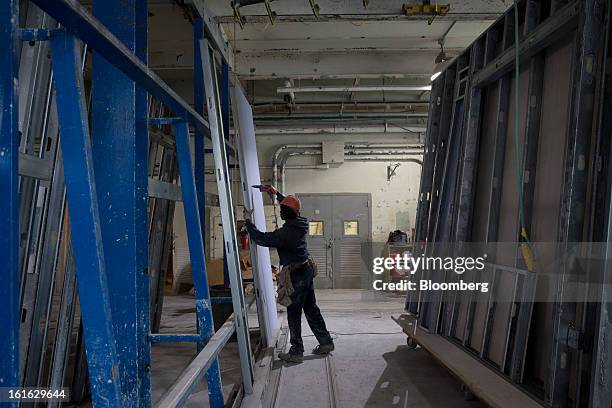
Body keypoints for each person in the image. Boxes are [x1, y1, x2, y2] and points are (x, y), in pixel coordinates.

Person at [243, 185, 334, 363]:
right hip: (306, 270)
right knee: (311, 308)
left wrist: (248, 221)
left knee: (294, 312)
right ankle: (326, 342)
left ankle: (296, 352)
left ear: (287, 213)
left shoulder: (286, 233)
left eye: (282, 209)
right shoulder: (301, 222)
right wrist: (276, 194)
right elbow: (291, 208)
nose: (281, 212)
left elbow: (262, 238)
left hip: (296, 275)